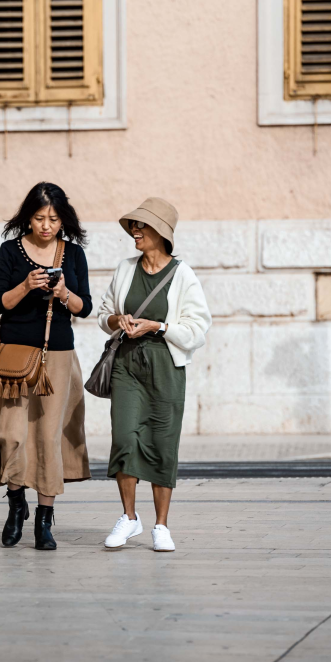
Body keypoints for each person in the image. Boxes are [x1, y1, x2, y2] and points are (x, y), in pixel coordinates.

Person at [0, 182, 92, 550]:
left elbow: (85, 307)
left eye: (54, 219)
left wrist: (64, 293)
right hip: (15, 356)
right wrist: (27, 285)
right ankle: (16, 505)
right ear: (28, 217)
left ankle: (45, 520)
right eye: (40, 218)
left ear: (64, 220)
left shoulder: (72, 254)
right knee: (11, 434)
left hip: (57, 356)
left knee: (47, 438)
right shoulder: (9, 251)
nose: (47, 226)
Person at [95, 198, 210, 552]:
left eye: (141, 225)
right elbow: (103, 314)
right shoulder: (125, 269)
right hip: (127, 365)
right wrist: (119, 320)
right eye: (134, 225)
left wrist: (158, 326)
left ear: (161, 231)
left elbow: (198, 328)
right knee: (124, 439)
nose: (135, 231)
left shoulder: (183, 274)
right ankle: (129, 518)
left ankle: (161, 525)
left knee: (162, 443)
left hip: (165, 366)